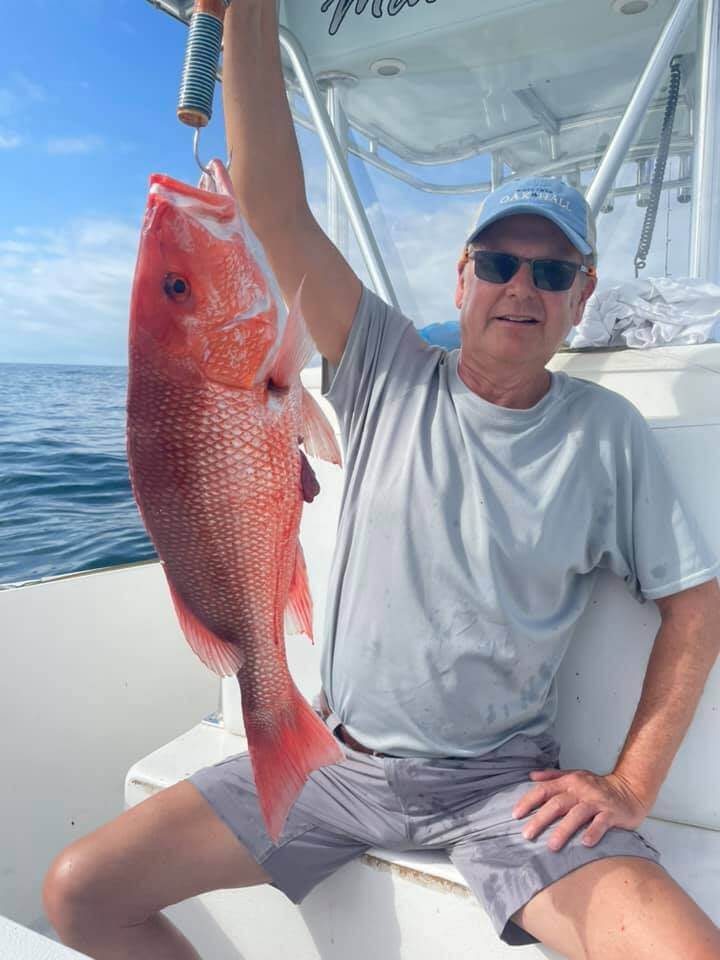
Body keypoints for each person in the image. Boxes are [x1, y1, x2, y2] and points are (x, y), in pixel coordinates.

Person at [42, 2, 720, 958]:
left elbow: (696, 604)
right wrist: (249, 15)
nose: (521, 286)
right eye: (498, 261)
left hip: (500, 791)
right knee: (81, 892)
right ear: (461, 280)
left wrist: (632, 783)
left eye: (551, 271)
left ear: (583, 297)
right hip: (329, 760)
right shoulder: (384, 365)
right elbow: (273, 208)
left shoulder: (606, 435)